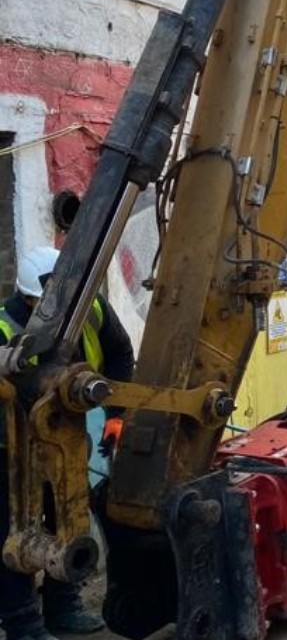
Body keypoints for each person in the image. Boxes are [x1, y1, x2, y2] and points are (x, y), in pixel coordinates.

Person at [0, 246, 135, 640]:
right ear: (29, 298)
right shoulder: (7, 325)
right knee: (13, 532)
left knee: (68, 517)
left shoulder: (90, 309)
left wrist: (116, 417)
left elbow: (120, 354)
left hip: (64, 439)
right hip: (8, 451)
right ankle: (23, 623)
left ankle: (64, 607)